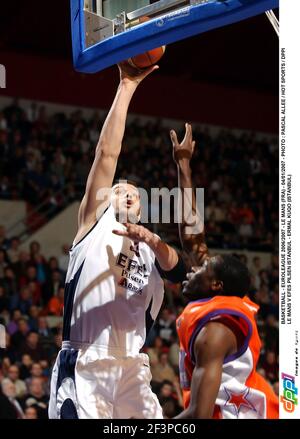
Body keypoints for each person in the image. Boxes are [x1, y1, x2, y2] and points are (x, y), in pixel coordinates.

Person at [48, 63, 186, 419]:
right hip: (86, 360)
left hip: (132, 369)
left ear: (141, 207)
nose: (125, 194)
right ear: (104, 200)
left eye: (133, 193)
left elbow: (181, 269)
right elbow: (106, 156)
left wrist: (155, 241)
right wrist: (126, 86)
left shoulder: (152, 247)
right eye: (118, 190)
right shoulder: (94, 223)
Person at [170, 124, 279, 419]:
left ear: (216, 285)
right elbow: (194, 238)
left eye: (202, 268)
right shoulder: (216, 297)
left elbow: (199, 416)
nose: (192, 267)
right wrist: (183, 165)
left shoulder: (215, 331)